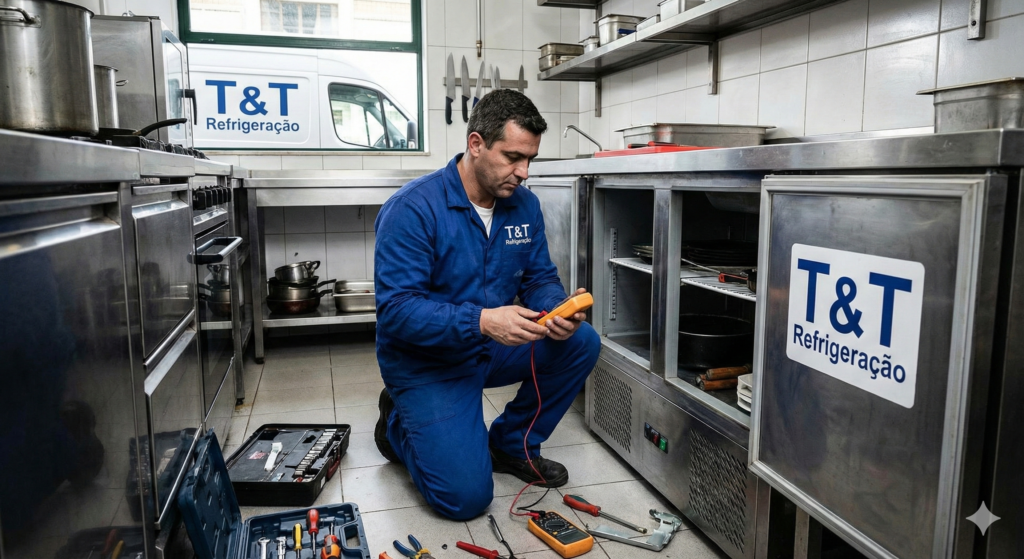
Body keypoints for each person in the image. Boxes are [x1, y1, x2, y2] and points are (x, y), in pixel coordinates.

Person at [372, 89, 601, 520]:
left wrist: (557, 309)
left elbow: (538, 278)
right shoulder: (413, 209)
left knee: (582, 341)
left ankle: (512, 444)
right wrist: (481, 320)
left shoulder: (524, 205)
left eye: (530, 158)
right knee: (465, 500)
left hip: (491, 346)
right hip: (427, 361)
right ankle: (398, 425)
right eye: (513, 156)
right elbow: (397, 312)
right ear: (475, 144)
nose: (524, 172)